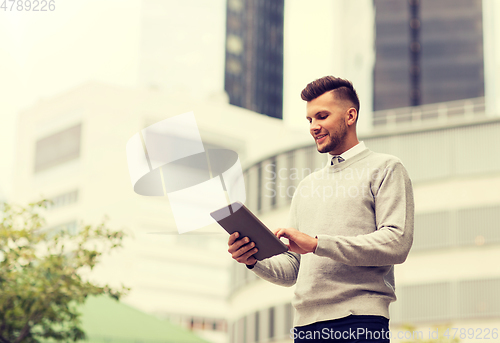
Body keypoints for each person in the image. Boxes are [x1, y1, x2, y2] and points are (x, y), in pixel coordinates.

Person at [227, 76, 414, 342]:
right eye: (310, 120)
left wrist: (317, 244)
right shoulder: (306, 186)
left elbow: (396, 243)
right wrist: (253, 260)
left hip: (359, 322)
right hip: (306, 328)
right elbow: (294, 269)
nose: (314, 127)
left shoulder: (385, 168)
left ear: (351, 116)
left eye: (322, 116)